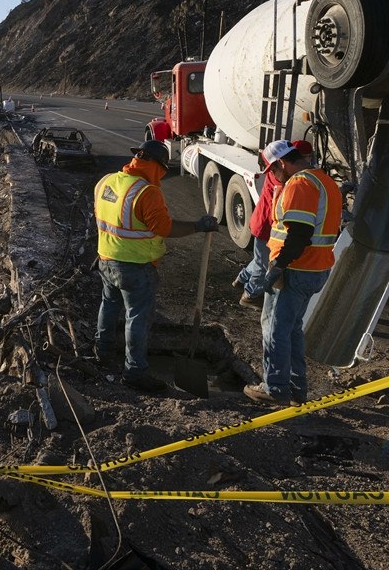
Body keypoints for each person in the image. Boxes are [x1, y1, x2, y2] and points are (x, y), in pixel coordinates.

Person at [94, 140, 218, 393]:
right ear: (155, 166)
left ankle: (101, 351)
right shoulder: (146, 192)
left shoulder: (107, 181)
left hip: (105, 259)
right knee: (137, 318)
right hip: (135, 267)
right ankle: (135, 372)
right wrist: (198, 225)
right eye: (162, 169)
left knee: (108, 305)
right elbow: (164, 228)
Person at [244, 140, 342, 406]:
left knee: (275, 329)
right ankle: (298, 389)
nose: (273, 178)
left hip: (296, 270)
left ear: (281, 163)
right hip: (316, 268)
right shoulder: (325, 182)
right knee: (292, 330)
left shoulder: (300, 184)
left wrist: (278, 267)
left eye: (272, 172)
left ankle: (274, 388)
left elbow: (299, 234)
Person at [233, 140, 313, 307]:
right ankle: (250, 295)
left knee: (260, 258)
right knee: (263, 265)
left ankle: (242, 278)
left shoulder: (283, 173)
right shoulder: (282, 178)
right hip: (266, 227)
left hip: (264, 225)